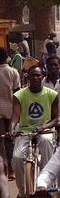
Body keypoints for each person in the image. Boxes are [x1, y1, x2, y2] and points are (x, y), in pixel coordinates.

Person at [7, 65, 59, 198]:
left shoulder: (52, 94)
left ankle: (47, 183)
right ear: (27, 77)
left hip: (45, 130)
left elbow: (55, 120)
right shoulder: (19, 95)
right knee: (17, 157)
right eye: (32, 75)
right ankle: (23, 191)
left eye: (38, 75)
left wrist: (43, 127)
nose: (35, 78)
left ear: (42, 76)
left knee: (47, 143)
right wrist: (11, 129)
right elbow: (15, 115)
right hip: (24, 131)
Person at [0, 47, 21, 181]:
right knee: (10, 141)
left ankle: (3, 169)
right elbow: (17, 93)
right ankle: (12, 170)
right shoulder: (13, 72)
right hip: (11, 112)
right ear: (7, 56)